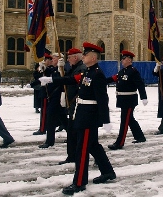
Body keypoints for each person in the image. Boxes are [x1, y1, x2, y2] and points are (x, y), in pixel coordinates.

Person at [40, 42, 116, 195]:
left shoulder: (97, 74)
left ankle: (79, 182)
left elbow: (103, 99)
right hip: (82, 114)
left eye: (86, 54)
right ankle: (108, 172)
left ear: (93, 57)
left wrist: (105, 120)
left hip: (89, 117)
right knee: (93, 145)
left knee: (82, 150)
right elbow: (71, 79)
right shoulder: (88, 72)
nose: (84, 56)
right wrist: (51, 80)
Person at [107, 50, 148, 150]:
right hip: (122, 99)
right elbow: (113, 78)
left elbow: (140, 84)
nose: (122, 60)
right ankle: (140, 137)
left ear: (129, 60)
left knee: (124, 121)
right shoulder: (122, 71)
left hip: (129, 100)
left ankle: (119, 143)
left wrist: (144, 97)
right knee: (130, 119)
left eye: (124, 59)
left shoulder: (133, 71)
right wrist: (100, 81)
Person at [56, 48, 86, 164]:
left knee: (78, 134)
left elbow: (70, 80)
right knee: (72, 132)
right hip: (72, 104)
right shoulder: (74, 68)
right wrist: (60, 68)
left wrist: (53, 80)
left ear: (75, 57)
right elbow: (66, 77)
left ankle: (76, 155)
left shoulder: (82, 68)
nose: (68, 59)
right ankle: (72, 155)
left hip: (78, 104)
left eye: (69, 57)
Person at [38, 52, 68, 148]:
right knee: (64, 120)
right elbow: (39, 76)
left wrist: (61, 69)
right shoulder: (53, 69)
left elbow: (65, 79)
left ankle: (49, 141)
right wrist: (42, 68)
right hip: (52, 97)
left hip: (58, 97)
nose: (52, 60)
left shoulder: (63, 69)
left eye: (54, 59)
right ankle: (73, 135)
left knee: (50, 119)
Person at [32, 53, 53, 135]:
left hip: (48, 93)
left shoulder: (51, 69)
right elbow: (37, 77)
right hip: (44, 92)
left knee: (45, 112)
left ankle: (43, 129)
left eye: (46, 60)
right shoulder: (42, 68)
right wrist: (40, 70)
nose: (45, 62)